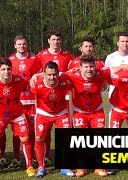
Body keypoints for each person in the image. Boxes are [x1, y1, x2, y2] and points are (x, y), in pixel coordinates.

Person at [30, 61, 74, 177]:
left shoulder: (65, 81)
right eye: (49, 74)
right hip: (43, 113)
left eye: (54, 74)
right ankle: (41, 167)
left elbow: (71, 73)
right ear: (44, 74)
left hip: (61, 112)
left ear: (58, 73)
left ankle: (64, 166)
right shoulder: (37, 85)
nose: (52, 77)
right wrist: (35, 76)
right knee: (39, 138)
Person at [3, 35, 42, 169]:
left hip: (31, 100)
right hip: (15, 101)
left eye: (24, 44)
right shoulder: (10, 60)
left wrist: (36, 77)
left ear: (27, 45)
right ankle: (16, 158)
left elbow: (41, 74)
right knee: (16, 132)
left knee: (30, 131)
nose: (22, 46)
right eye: (19, 44)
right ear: (15, 45)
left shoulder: (34, 58)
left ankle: (32, 158)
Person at [37, 31, 74, 164]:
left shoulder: (67, 54)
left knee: (65, 130)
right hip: (46, 94)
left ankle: (65, 160)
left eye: (58, 39)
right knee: (44, 132)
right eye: (53, 39)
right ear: (48, 41)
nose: (56, 41)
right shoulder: (41, 55)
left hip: (63, 94)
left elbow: (72, 71)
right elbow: (37, 72)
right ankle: (46, 157)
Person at [0, 58, 35, 176]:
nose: (6, 72)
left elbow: (31, 86)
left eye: (8, 69)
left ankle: (29, 166)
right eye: (3, 69)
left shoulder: (18, 80)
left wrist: (38, 77)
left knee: (25, 139)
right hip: (1, 116)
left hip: (17, 115)